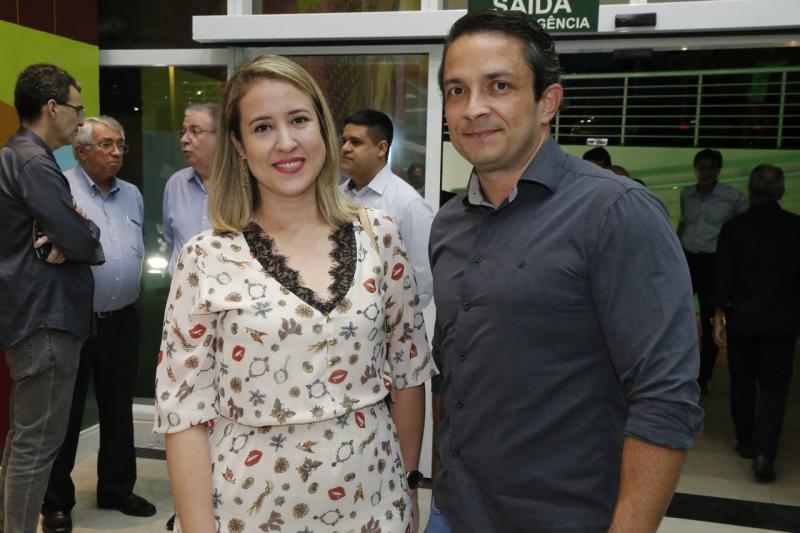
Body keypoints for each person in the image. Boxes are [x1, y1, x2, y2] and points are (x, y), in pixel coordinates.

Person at [426, 10, 703, 532]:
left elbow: (666, 396)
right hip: (453, 512)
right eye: (457, 91)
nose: (474, 108)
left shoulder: (615, 213)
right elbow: (455, 369)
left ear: (548, 102)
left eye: (499, 86)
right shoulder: (448, 224)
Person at [154, 55, 437, 532]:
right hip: (249, 513)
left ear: (323, 127)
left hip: (376, 506)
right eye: (262, 127)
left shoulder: (380, 235)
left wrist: (408, 488)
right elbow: (183, 414)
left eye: (299, 120)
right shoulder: (206, 257)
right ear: (239, 145)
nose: (286, 142)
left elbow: (409, 371)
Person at [0, 64, 103, 533]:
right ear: (51, 107)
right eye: (77, 110)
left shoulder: (17, 155)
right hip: (47, 318)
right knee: (37, 445)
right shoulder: (34, 163)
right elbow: (78, 239)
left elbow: (68, 234)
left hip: (32, 314)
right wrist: (85, 231)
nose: (80, 120)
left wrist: (73, 231)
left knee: (24, 440)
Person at [40, 117, 156, 533]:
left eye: (120, 144)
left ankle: (117, 490)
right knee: (67, 413)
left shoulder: (133, 195)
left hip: (122, 318)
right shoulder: (61, 189)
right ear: (81, 150)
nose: (117, 152)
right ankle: (57, 503)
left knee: (118, 407)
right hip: (73, 320)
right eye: (107, 144)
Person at [712, 164, 800, 483]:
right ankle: (766, 451)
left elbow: (723, 276)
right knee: (774, 388)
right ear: (781, 192)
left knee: (742, 382)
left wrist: (718, 317)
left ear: (749, 191)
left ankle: (746, 441)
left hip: (743, 320)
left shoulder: (734, 228)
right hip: (783, 322)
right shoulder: (796, 228)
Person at [339, 109, 434, 309]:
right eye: (344, 141)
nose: (345, 148)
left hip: (386, 320)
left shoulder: (409, 204)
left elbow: (422, 283)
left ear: (382, 148)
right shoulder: (337, 197)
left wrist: (390, 318)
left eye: (355, 142)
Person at [677, 148, 748, 393]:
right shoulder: (687, 194)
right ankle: (677, 370)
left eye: (711, 168)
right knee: (678, 317)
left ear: (718, 170)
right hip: (688, 260)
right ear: (695, 169)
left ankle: (703, 375)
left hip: (715, 262)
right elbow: (683, 225)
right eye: (702, 167)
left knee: (710, 320)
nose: (706, 172)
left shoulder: (733, 197)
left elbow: (743, 229)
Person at [162, 103, 218, 274]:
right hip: (181, 288)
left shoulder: (243, 185)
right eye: (183, 132)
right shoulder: (176, 184)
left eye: (195, 131)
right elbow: (171, 240)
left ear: (221, 137)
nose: (184, 139)